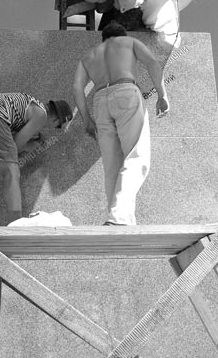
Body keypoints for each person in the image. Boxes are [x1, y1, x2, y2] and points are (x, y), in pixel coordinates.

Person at [72, 21, 169, 225]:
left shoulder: (89, 56)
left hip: (100, 101)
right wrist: (162, 95)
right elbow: (152, 63)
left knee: (112, 166)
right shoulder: (129, 42)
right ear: (121, 34)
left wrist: (86, 119)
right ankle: (119, 216)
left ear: (103, 38)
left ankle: (120, 218)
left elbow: (77, 88)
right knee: (137, 156)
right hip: (125, 91)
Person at [0, 93, 73, 225]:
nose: (53, 128)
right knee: (12, 172)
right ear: (57, 120)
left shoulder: (29, 106)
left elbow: (6, 141)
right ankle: (16, 224)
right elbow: (16, 144)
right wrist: (28, 147)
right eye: (58, 126)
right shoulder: (41, 114)